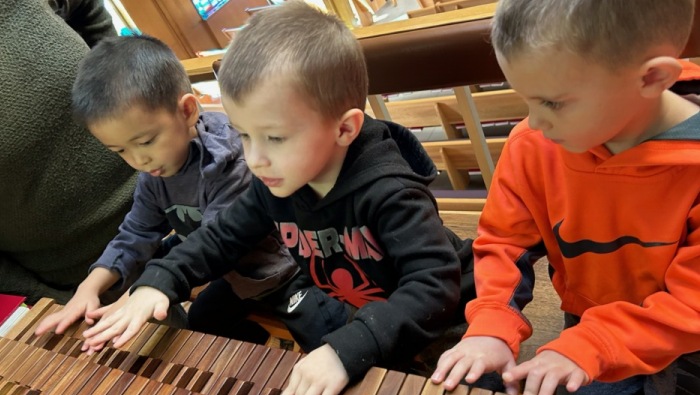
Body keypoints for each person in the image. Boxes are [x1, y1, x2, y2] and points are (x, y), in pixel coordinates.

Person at [80, 2, 476, 395]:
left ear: (344, 129)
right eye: (245, 134)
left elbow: (434, 285)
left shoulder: (390, 193)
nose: (254, 158)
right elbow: (220, 237)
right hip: (372, 318)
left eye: (275, 138)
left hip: (451, 329)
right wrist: (159, 281)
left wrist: (347, 348)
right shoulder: (279, 181)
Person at [431, 1, 700, 395]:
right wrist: (492, 322)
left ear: (653, 77)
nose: (534, 122)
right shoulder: (535, 144)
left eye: (552, 102)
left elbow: (691, 303)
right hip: (587, 320)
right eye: (526, 98)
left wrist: (593, 344)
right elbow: (505, 242)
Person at [34, 35, 298, 346]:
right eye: (119, 150)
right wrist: (88, 288)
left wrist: (138, 294)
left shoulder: (229, 161)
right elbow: (135, 234)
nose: (138, 160)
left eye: (145, 142)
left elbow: (216, 244)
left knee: (326, 335)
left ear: (187, 111)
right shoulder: (155, 171)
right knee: (202, 320)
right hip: (237, 279)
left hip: (288, 270)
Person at [0, 0, 136, 306]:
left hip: (184, 204)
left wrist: (128, 80)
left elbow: (87, 7)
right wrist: (49, 300)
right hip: (89, 287)